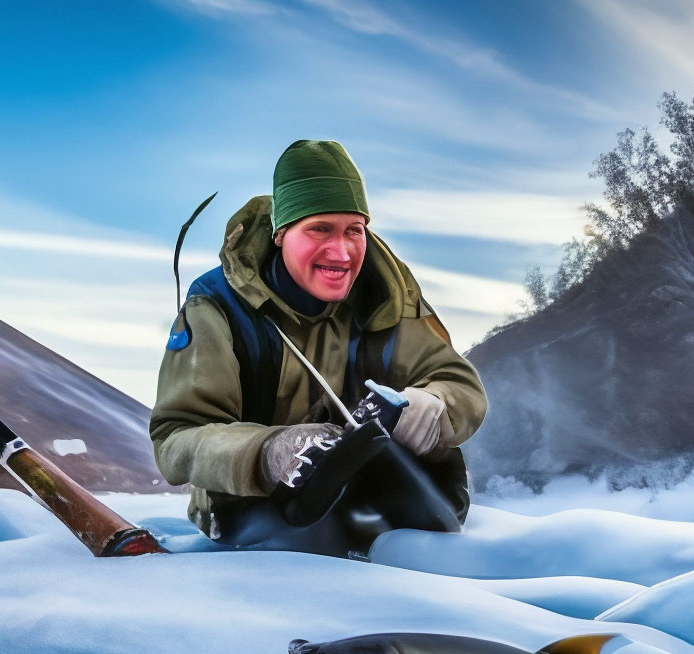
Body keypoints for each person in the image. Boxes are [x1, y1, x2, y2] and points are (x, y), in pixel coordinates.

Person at [150, 139, 487, 556]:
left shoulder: (386, 293)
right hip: (250, 513)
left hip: (372, 499)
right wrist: (269, 453)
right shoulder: (216, 306)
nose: (341, 251)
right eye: (319, 229)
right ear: (280, 233)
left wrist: (432, 404)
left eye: (354, 230)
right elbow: (175, 438)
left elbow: (459, 383)